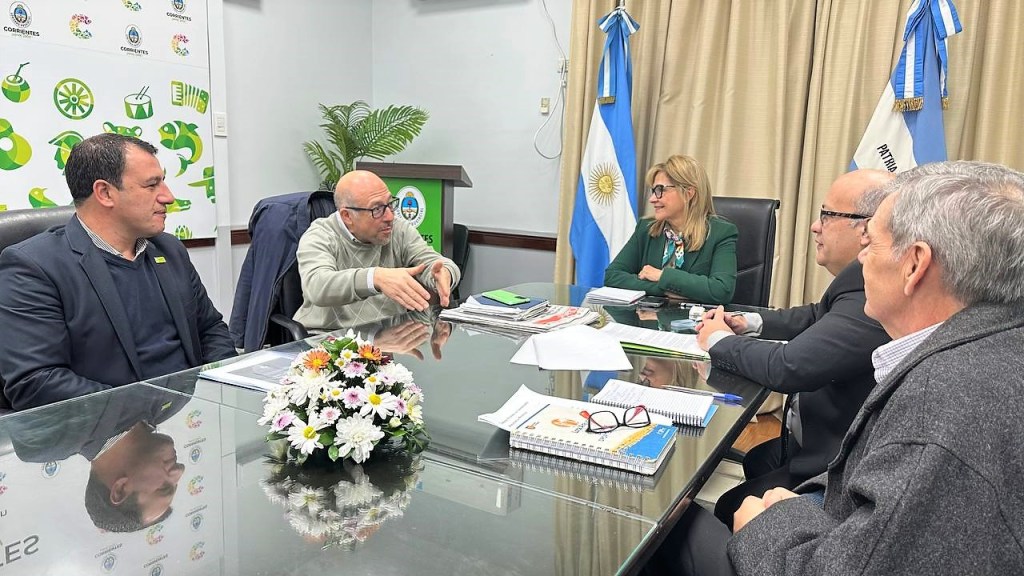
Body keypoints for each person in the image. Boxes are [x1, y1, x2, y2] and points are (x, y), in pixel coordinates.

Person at [651, 161, 1024, 576]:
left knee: (668, 523)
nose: (862, 258)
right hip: (843, 500)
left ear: (915, 264)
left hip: (827, 534)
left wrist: (772, 523)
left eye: (873, 243)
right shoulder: (995, 345)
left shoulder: (938, 401)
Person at [696, 169, 894, 529]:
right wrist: (750, 322)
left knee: (727, 506)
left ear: (867, 229)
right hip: (814, 436)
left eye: (827, 215)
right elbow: (818, 314)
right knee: (758, 459)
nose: (815, 227)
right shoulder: (855, 281)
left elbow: (787, 367)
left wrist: (718, 341)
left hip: (836, 464)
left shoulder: (876, 293)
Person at [0, 133, 235, 411]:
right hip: (107, 429)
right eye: (152, 185)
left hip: (193, 416)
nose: (168, 197)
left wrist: (225, 390)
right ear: (105, 193)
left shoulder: (169, 249)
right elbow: (36, 382)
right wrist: (141, 411)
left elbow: (210, 329)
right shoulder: (33, 267)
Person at [292, 170, 461, 331]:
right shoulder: (321, 235)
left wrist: (445, 273)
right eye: (377, 209)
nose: (390, 217)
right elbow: (317, 285)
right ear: (347, 216)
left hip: (390, 334)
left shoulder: (398, 230)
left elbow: (434, 262)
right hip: (329, 338)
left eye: (390, 204)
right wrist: (374, 278)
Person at [604, 154, 738, 304]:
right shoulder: (646, 228)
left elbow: (722, 290)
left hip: (696, 318)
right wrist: (666, 290)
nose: (652, 199)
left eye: (660, 190)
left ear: (688, 193)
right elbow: (613, 276)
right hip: (647, 316)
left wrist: (662, 276)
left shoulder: (721, 233)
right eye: (653, 191)